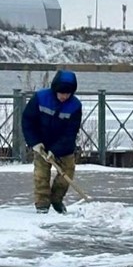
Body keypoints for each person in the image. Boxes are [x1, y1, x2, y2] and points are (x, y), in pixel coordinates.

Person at [21, 70, 82, 214]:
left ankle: (56, 199)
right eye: (61, 93)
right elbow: (28, 121)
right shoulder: (40, 98)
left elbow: (71, 132)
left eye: (67, 94)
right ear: (55, 89)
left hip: (64, 147)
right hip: (41, 144)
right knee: (41, 176)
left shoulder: (75, 106)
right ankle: (42, 204)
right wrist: (34, 142)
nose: (64, 96)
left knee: (66, 175)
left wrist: (55, 150)